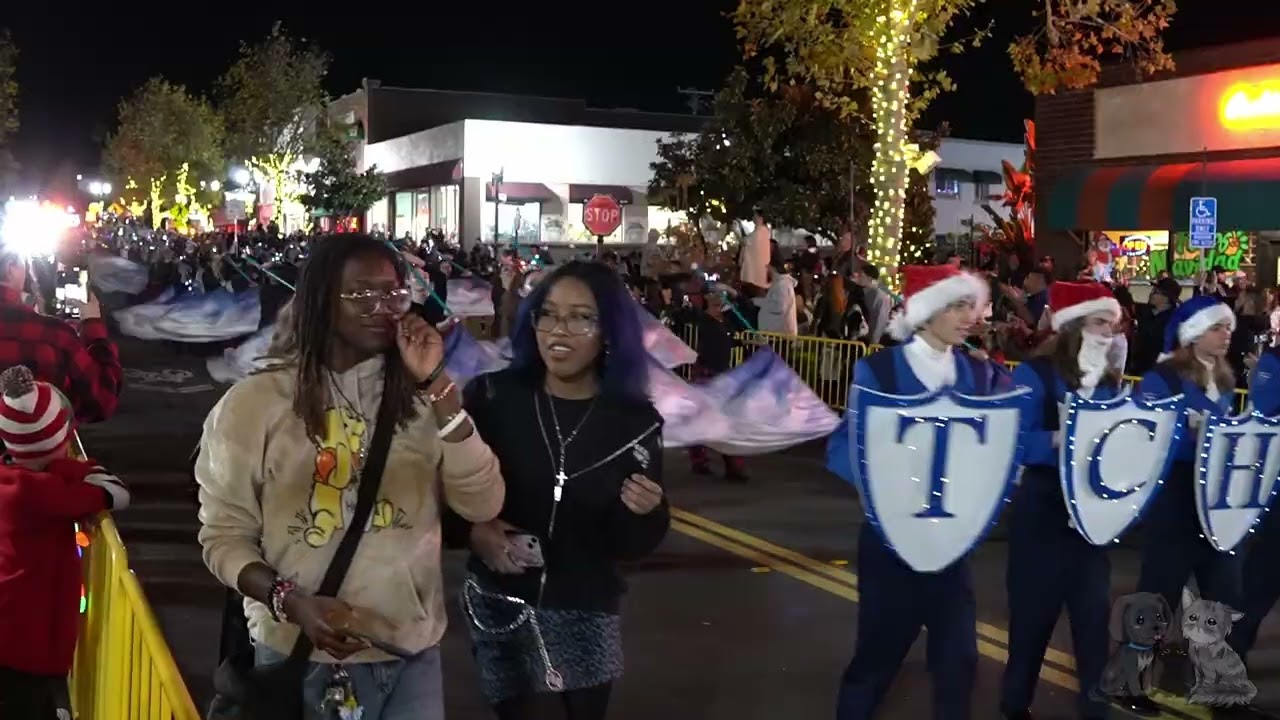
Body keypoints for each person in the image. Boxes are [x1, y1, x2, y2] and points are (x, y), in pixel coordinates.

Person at [195, 233, 505, 720]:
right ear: (321, 300)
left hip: (411, 656)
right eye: (361, 293)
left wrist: (441, 390)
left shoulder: (424, 398)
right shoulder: (255, 405)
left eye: (394, 293)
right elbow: (223, 537)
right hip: (301, 658)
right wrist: (289, 601)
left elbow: (483, 505)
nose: (382, 306)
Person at [448, 261, 668, 720]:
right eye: (547, 314)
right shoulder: (492, 397)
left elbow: (632, 544)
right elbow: (445, 487)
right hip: (501, 601)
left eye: (581, 317)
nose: (558, 330)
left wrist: (647, 513)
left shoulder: (635, 422)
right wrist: (475, 531)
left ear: (608, 331)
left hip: (586, 607)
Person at [826, 264, 1001, 720]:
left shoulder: (978, 375)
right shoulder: (880, 371)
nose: (971, 317)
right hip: (891, 545)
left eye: (972, 305)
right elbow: (849, 446)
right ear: (926, 311)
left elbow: (1005, 435)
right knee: (876, 663)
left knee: (959, 662)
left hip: (950, 544)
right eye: (958, 306)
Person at [1000, 282, 1123, 720]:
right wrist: (1055, 439)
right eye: (1098, 322)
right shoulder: (1033, 374)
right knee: (1031, 627)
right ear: (1072, 326)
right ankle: (1014, 706)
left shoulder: (1109, 382)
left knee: (1093, 628)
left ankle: (1096, 712)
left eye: (1111, 323)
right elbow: (1011, 441)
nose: (1108, 331)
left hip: (1090, 520)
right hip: (1042, 515)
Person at [0, 365, 130, 719]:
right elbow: (114, 494)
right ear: (61, 439)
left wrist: (68, 471)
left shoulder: (13, 478)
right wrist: (77, 472)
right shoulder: (36, 492)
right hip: (23, 645)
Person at [1136, 295, 1240, 703]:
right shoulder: (1162, 377)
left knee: (1225, 598)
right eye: (1217, 327)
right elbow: (1152, 437)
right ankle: (1134, 680)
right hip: (1175, 501)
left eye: (1228, 327)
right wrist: (1199, 434)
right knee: (1157, 599)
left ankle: (1219, 684)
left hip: (1213, 503)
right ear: (1194, 334)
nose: (1226, 334)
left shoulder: (1227, 379)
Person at [0, 240, 121, 423]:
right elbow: (101, 399)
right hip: (37, 448)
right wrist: (93, 326)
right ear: (11, 268)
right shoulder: (53, 336)